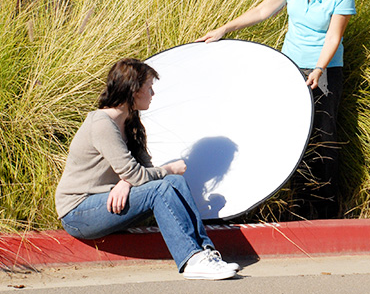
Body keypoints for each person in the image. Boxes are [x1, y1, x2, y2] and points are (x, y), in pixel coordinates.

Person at [197, 0, 356, 220]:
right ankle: (296, 206)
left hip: (324, 71)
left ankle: (324, 210)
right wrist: (225, 28)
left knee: (322, 138)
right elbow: (262, 11)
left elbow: (334, 37)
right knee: (293, 135)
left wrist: (319, 68)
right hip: (291, 66)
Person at [55, 58, 239, 280]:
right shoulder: (102, 124)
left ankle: (205, 253)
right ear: (134, 91)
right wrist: (167, 169)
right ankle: (191, 260)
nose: (153, 93)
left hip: (108, 202)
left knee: (176, 182)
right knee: (162, 187)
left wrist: (126, 181)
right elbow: (138, 175)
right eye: (149, 87)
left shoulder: (129, 121)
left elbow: (140, 172)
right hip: (78, 212)